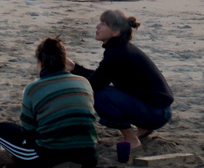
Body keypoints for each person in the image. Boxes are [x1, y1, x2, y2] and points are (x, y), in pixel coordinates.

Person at [0, 37, 98, 168]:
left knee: (1, 130)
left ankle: (23, 161)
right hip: (89, 156)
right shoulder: (84, 82)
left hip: (49, 156)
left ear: (41, 63)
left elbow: (29, 132)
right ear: (65, 61)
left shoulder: (33, 89)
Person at [67, 10, 173, 149]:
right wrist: (74, 67)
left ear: (116, 32)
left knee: (99, 95)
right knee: (104, 91)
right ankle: (143, 128)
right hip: (160, 110)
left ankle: (131, 139)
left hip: (156, 113)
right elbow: (101, 76)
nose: (97, 27)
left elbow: (95, 85)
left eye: (103, 24)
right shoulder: (120, 49)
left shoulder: (117, 53)